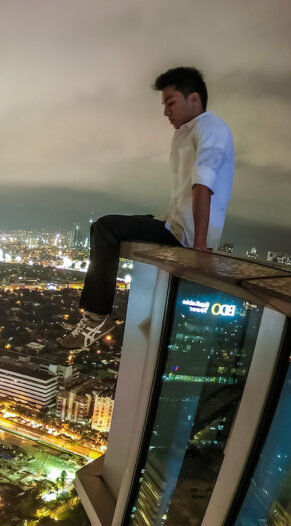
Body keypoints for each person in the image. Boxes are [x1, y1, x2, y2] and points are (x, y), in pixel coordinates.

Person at [61, 66, 234, 350]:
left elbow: (203, 185)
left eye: (170, 102)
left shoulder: (210, 129)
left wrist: (200, 245)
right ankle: (97, 314)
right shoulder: (186, 134)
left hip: (184, 234)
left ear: (194, 99)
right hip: (173, 223)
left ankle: (97, 317)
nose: (166, 111)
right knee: (103, 229)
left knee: (106, 227)